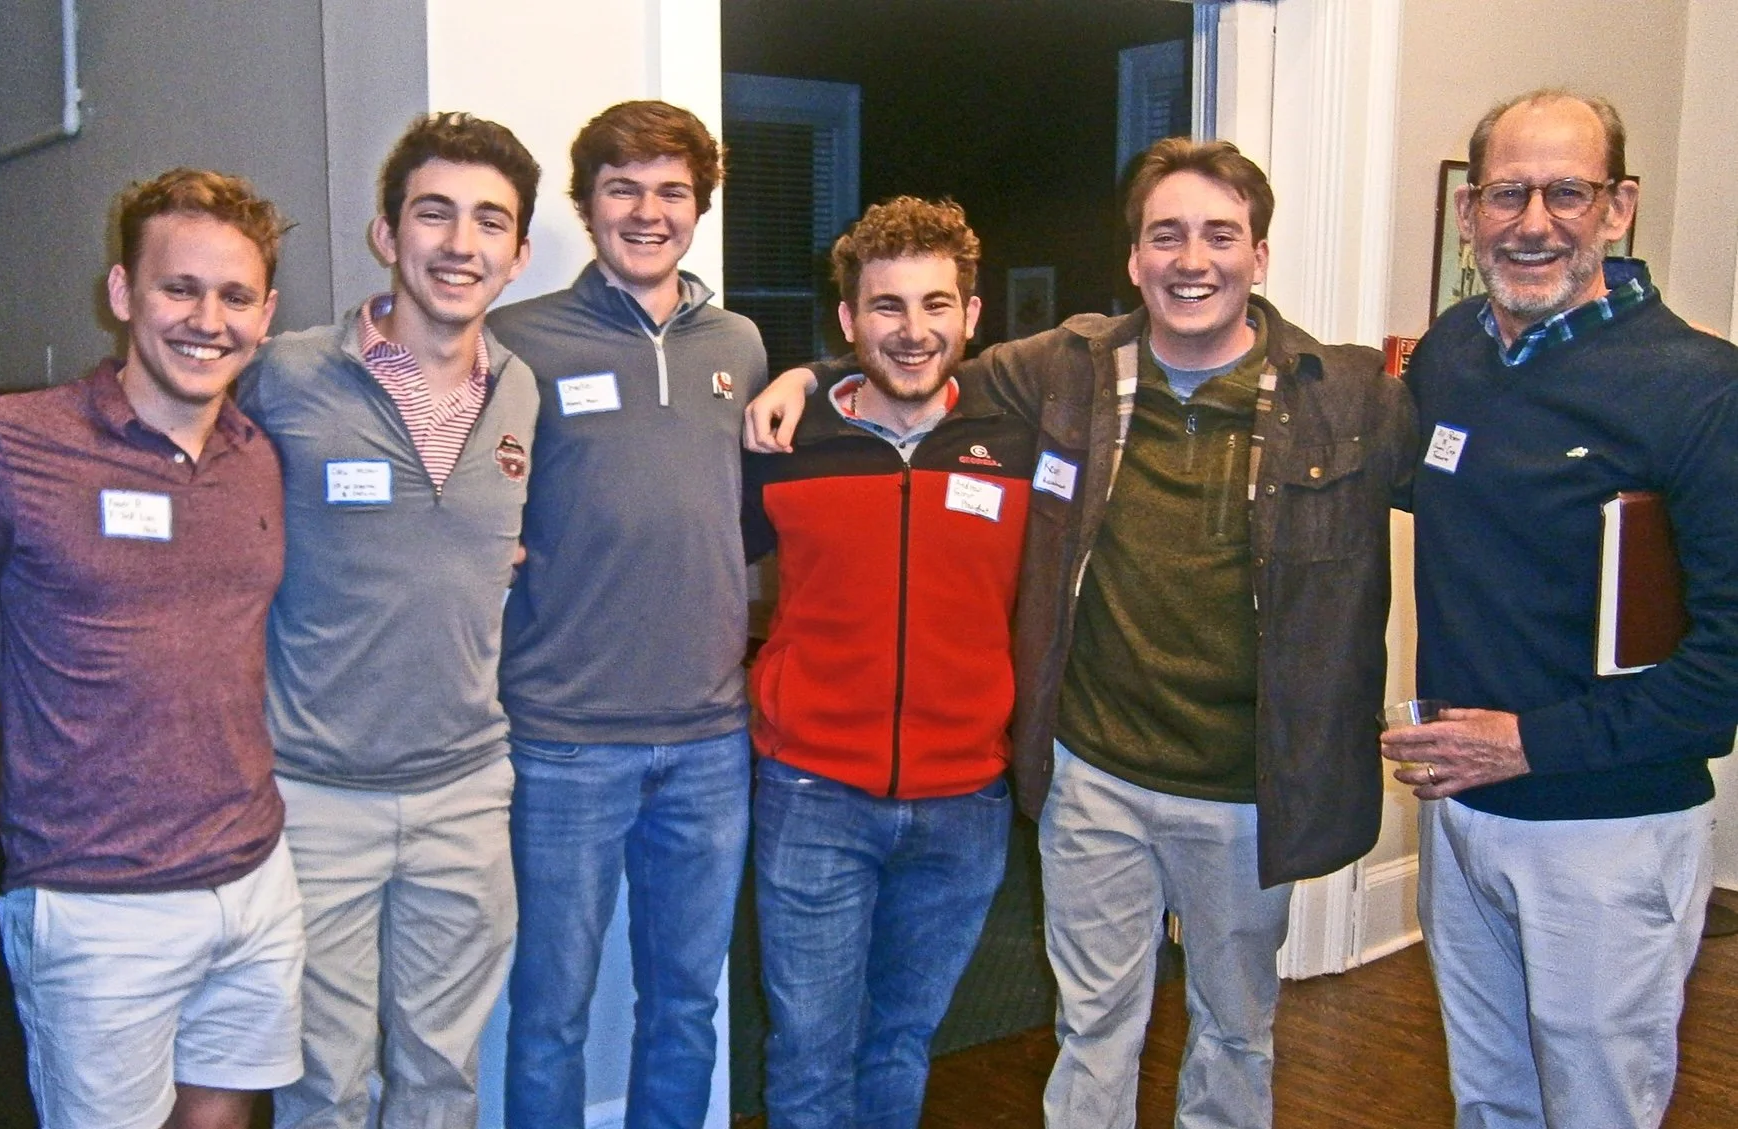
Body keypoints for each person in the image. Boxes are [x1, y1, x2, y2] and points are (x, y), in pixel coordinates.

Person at [748, 138, 1414, 1129]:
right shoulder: (1071, 376)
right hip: (1087, 777)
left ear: (1259, 256)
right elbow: (898, 356)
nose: (1193, 259)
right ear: (1136, 259)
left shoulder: (1343, 397)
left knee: (1236, 1031)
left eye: (1219, 235)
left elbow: (1481, 474)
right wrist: (808, 374)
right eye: (1166, 235)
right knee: (1084, 1026)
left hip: (1241, 788)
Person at [1382, 89, 1738, 1129]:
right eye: (1506, 193)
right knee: (1489, 1096)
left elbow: (1725, 662)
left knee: (1596, 1108)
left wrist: (1530, 743)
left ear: (1619, 207)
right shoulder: (1451, 352)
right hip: (1462, 813)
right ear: (1468, 214)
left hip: (1607, 829)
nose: (1533, 221)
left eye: (1567, 192)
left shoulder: (1703, 388)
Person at [0, 168, 300, 1129]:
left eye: (235, 296)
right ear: (122, 294)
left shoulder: (256, 454)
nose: (208, 319)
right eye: (178, 288)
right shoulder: (13, 442)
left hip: (253, 873)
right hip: (95, 894)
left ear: (266, 314)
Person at [236, 112, 540, 1129]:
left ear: (519, 252)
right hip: (317, 795)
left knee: (442, 1080)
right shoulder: (282, 373)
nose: (461, 243)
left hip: (465, 791)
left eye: (489, 221)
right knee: (324, 1083)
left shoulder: (524, 390)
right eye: (435, 214)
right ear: (386, 234)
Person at [484, 98, 768, 1129]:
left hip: (709, 740)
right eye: (623, 188)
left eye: (672, 191)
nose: (648, 212)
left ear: (699, 206)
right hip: (563, 740)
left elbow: (749, 507)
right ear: (587, 201)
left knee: (689, 1004)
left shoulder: (739, 341)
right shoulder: (517, 340)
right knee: (551, 1010)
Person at [743, 196, 1025, 1129]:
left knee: (902, 1041)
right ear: (849, 320)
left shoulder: (1019, 439)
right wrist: (808, 378)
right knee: (812, 1052)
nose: (913, 331)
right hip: (813, 793)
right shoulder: (785, 442)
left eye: (936, 305)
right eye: (888, 307)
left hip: (963, 804)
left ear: (972, 317)